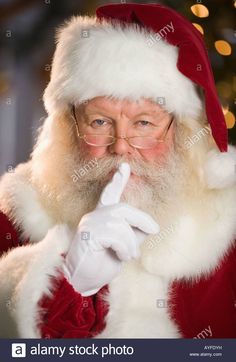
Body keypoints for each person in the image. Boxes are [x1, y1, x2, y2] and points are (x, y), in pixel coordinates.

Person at [0, 3, 236, 339]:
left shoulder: (228, 223)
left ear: (180, 132)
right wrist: (68, 282)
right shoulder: (13, 216)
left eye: (143, 123)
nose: (121, 146)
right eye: (99, 121)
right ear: (67, 129)